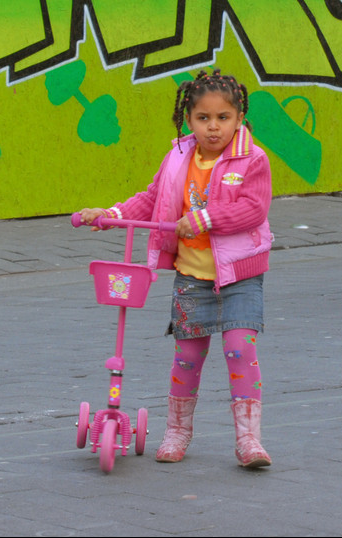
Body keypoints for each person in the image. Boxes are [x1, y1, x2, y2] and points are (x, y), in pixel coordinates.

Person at [78, 69, 274, 468]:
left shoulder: (252, 159)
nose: (213, 127)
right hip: (192, 277)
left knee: (240, 350)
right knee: (187, 356)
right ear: (189, 119)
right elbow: (152, 198)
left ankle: (249, 440)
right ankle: (177, 431)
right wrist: (111, 213)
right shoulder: (179, 157)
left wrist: (205, 218)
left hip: (239, 275)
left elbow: (253, 209)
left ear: (239, 118)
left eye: (223, 118)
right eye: (203, 118)